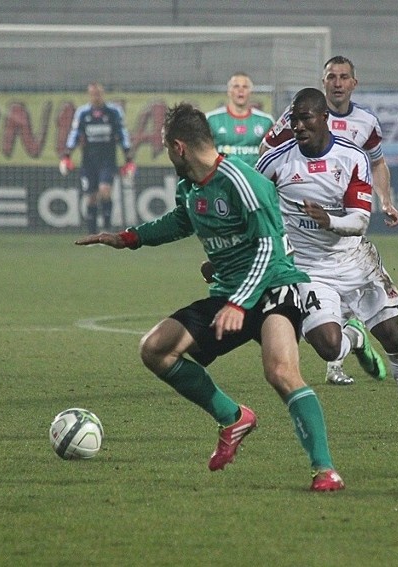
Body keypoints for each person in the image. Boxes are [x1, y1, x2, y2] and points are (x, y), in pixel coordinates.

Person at [75, 102, 345, 491]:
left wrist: (239, 302)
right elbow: (180, 221)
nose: (169, 157)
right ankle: (233, 418)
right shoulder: (190, 186)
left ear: (178, 147)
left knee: (281, 372)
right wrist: (129, 238)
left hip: (274, 287)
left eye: (167, 149)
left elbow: (269, 248)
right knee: (155, 349)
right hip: (229, 293)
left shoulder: (242, 181)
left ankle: (325, 470)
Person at [256, 88, 398, 443]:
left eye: (305, 118)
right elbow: (255, 213)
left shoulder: (352, 157)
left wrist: (329, 221)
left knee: (393, 339)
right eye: (293, 119)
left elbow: (358, 221)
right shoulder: (275, 163)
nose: (298, 126)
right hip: (308, 268)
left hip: (355, 260)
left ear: (324, 118)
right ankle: (354, 339)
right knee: (326, 345)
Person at [262, 55, 398, 385]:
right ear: (323, 83)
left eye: (343, 77)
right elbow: (268, 151)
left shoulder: (366, 123)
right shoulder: (295, 117)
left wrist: (384, 199)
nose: (338, 82)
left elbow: (377, 163)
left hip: (346, 224)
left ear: (354, 83)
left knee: (356, 297)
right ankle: (338, 358)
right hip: (306, 228)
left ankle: (350, 343)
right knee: (324, 330)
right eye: (332, 77)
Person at [60, 82, 136, 234]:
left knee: (105, 191)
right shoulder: (83, 113)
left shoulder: (114, 112)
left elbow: (122, 133)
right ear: (89, 95)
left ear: (103, 94)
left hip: (107, 160)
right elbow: (75, 134)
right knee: (91, 197)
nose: (96, 97)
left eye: (99, 94)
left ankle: (107, 230)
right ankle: (92, 233)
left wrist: (128, 156)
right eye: (93, 94)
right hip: (89, 161)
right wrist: (67, 155)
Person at [206, 72, 274, 168]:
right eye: (236, 86)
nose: (240, 90)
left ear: (250, 91)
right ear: (229, 91)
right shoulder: (211, 119)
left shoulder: (266, 121)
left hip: (254, 178)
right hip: (222, 179)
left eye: (245, 87)